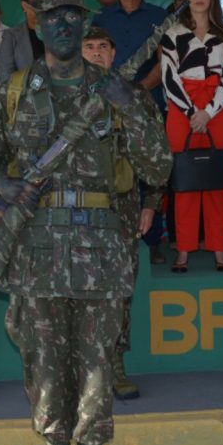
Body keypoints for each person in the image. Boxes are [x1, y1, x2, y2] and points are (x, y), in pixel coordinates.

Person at [0, 0, 172, 445]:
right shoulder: (14, 92)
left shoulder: (116, 90)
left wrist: (133, 109)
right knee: (45, 373)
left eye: (72, 18)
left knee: (98, 370)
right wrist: (2, 183)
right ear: (36, 25)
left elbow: (158, 168)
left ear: (85, 27)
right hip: (35, 252)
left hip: (101, 251)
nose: (62, 26)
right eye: (52, 17)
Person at [81, 26, 161, 400]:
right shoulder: (60, 97)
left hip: (124, 206)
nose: (96, 53)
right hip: (75, 210)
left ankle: (114, 364)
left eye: (103, 46)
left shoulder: (136, 96)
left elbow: (156, 151)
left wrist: (150, 202)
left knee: (119, 290)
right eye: (89, 47)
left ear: (113, 54)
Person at [92, 0, 170, 263]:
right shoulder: (101, 18)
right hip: (107, 106)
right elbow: (92, 58)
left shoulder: (160, 17)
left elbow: (166, 61)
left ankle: (152, 240)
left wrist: (138, 90)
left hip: (148, 101)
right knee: (117, 169)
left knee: (150, 167)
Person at [161, 0, 223, 273]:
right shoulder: (172, 34)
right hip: (182, 113)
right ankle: (184, 249)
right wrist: (193, 111)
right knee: (185, 181)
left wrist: (209, 111)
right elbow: (169, 78)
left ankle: (218, 248)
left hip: (218, 112)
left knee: (215, 180)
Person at [0, 0, 51, 83]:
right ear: (24, 6)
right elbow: (5, 75)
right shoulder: (11, 36)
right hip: (24, 96)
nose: (42, 5)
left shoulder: (61, 32)